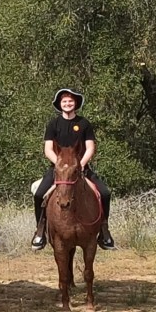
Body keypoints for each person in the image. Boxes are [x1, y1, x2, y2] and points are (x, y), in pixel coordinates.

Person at [31, 88, 115, 251]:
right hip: (59, 169)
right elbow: (48, 149)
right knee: (39, 194)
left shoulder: (84, 124)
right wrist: (61, 165)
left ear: (75, 104)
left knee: (105, 193)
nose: (68, 103)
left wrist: (80, 164)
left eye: (70, 101)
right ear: (59, 104)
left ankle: (104, 231)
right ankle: (40, 230)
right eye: (64, 101)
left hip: (81, 168)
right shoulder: (53, 124)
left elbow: (90, 147)